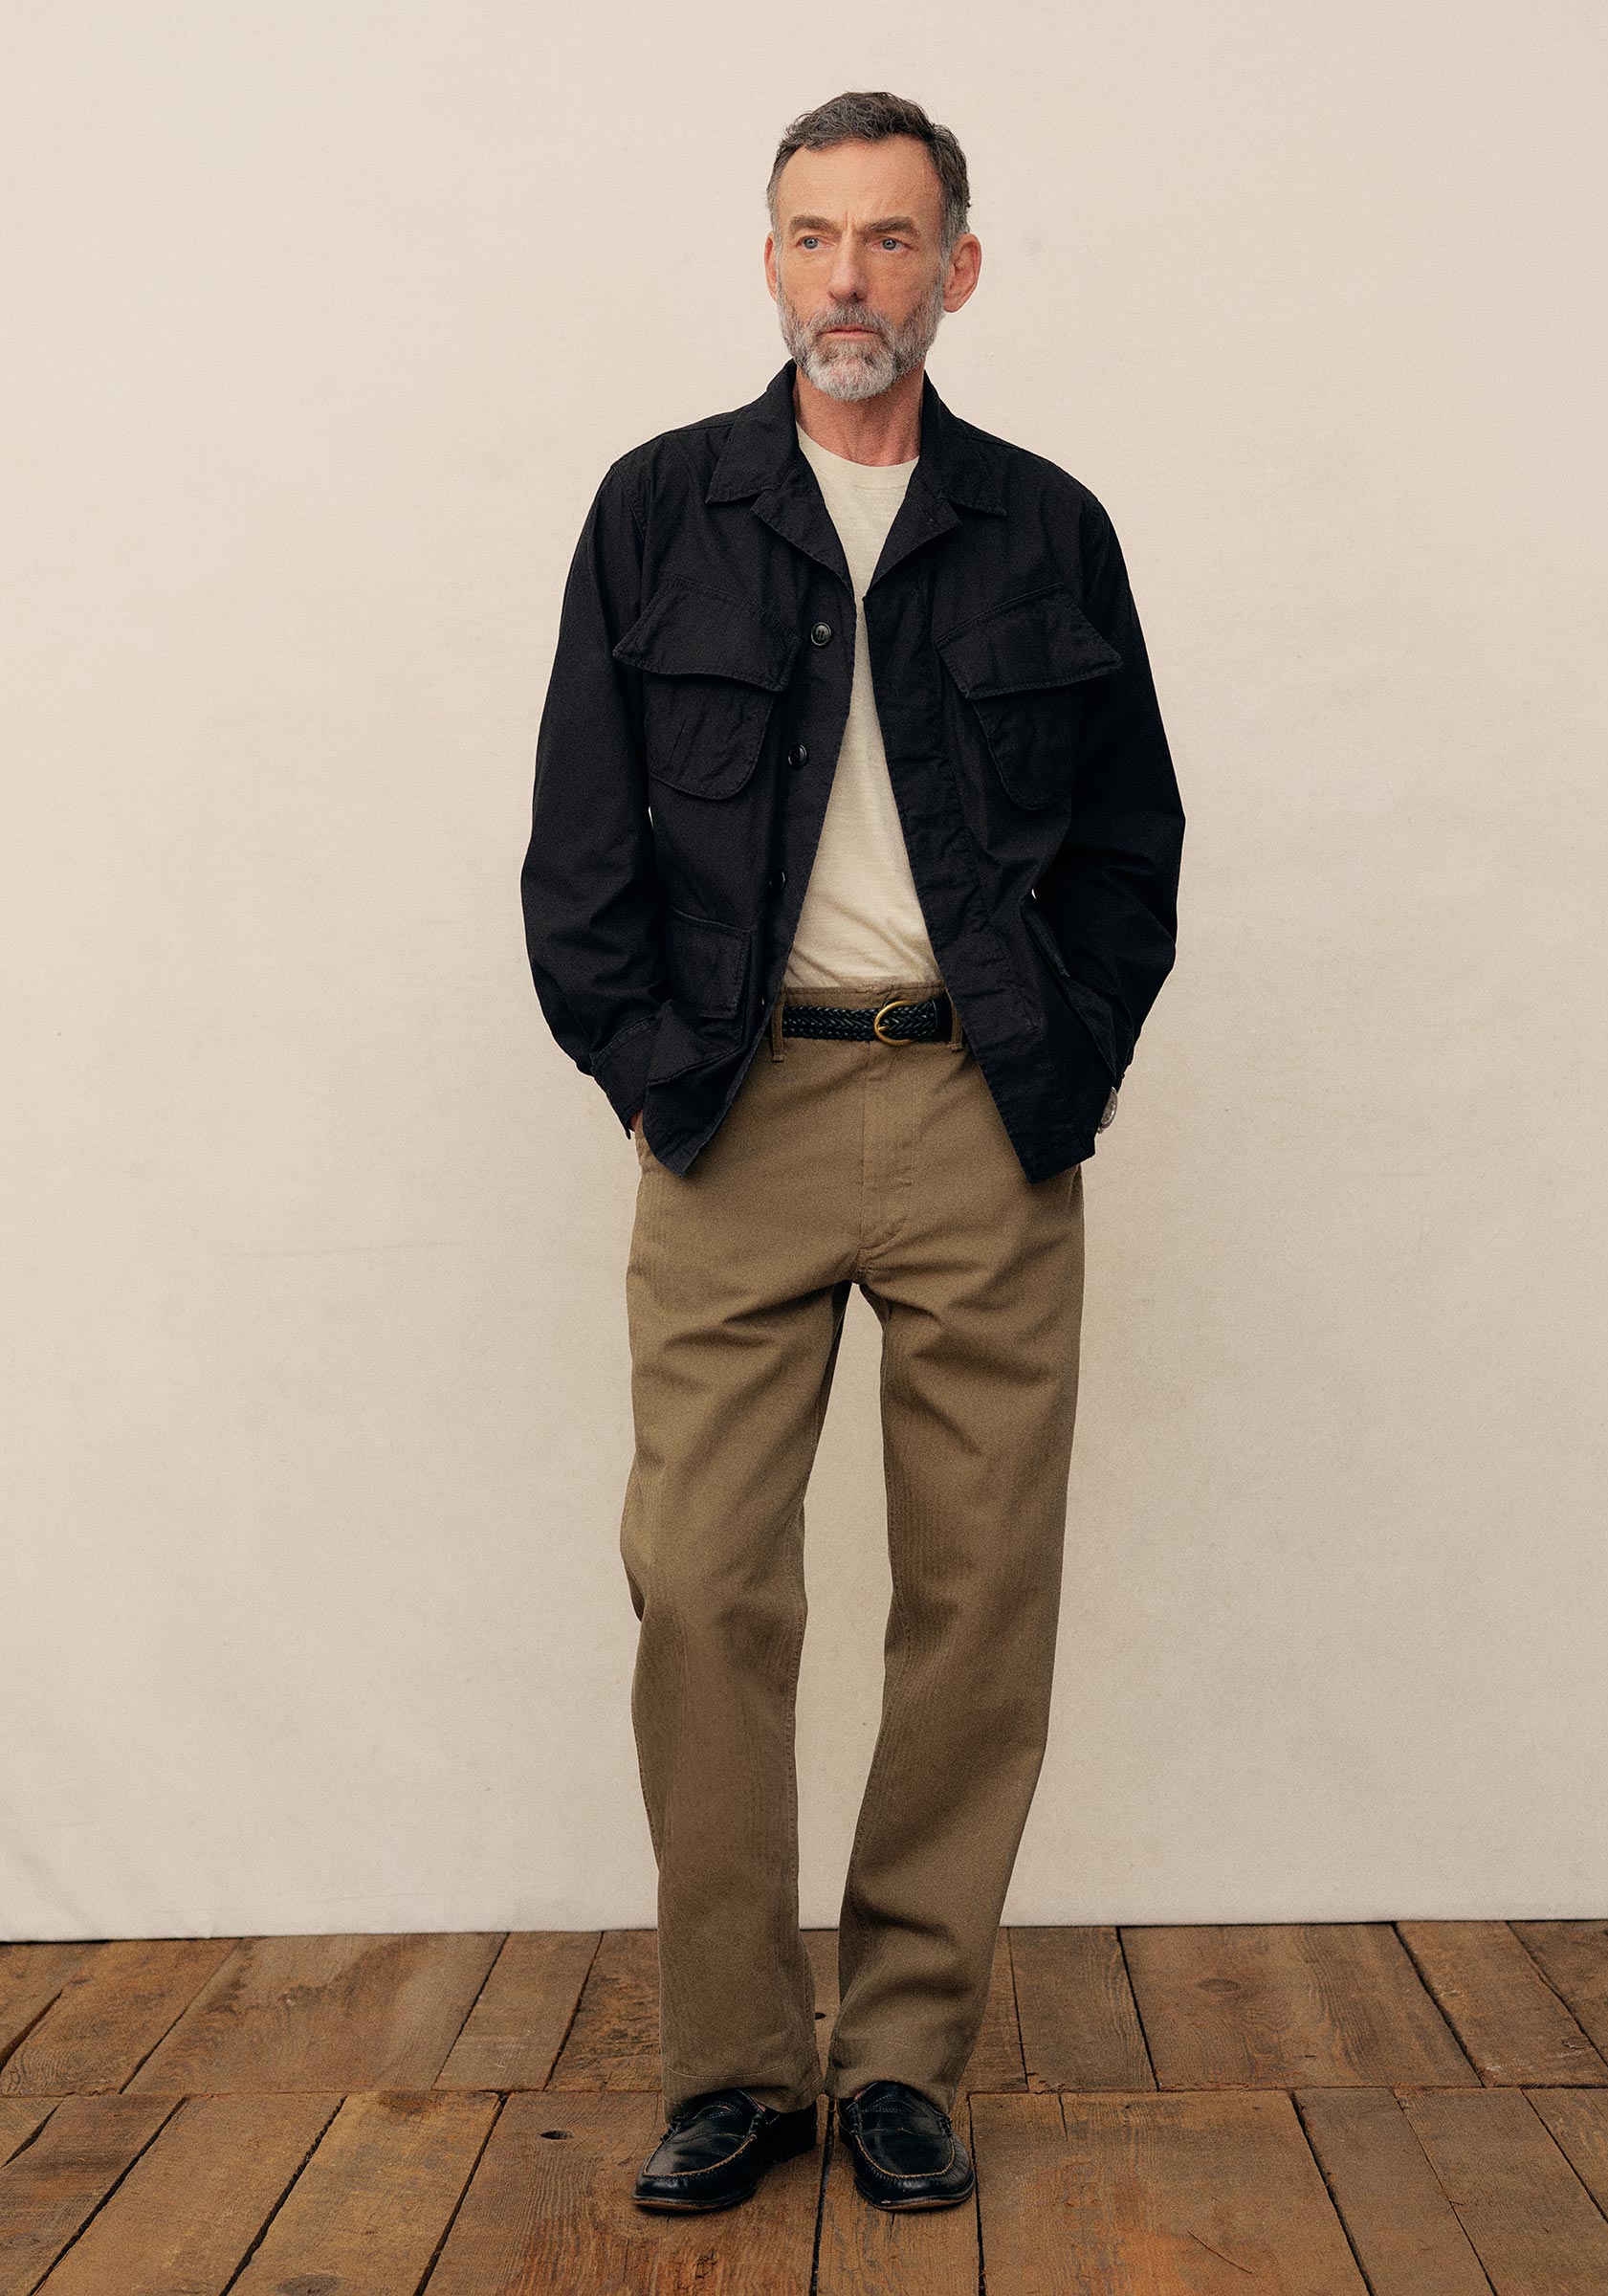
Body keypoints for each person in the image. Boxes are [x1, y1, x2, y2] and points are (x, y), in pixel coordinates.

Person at [520, 88, 1184, 2216]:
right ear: (770, 261)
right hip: (739, 1111)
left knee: (978, 1597)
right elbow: (578, 840)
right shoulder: (662, 510)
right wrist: (649, 1075)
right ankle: (734, 2065)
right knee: (704, 1582)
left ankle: (903, 2061)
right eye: (814, 236)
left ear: (956, 269)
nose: (850, 278)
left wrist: (1066, 1068)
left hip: (985, 1109)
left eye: (892, 239)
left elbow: (1134, 842)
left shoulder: (1049, 529)